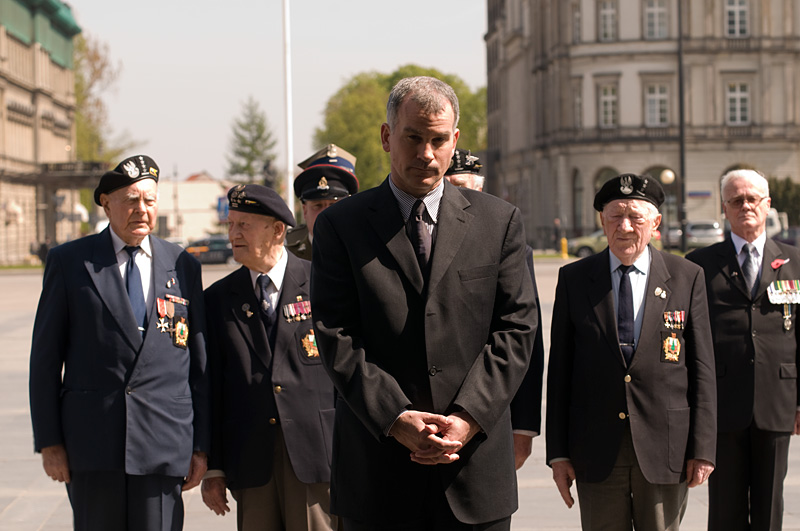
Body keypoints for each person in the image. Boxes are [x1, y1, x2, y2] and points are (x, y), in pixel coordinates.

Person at [310, 76, 537, 530]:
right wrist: (396, 418)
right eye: (413, 138)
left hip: (472, 472)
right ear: (386, 136)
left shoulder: (499, 222)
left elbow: (517, 329)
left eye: (438, 140)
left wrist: (468, 417)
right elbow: (336, 335)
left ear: (455, 141)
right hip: (378, 475)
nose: (426, 154)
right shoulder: (341, 226)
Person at [28, 155, 209, 531]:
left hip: (163, 443)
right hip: (93, 445)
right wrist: (50, 442)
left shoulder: (183, 265)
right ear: (106, 203)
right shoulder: (71, 262)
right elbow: (45, 360)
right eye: (130, 200)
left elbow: (199, 367)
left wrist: (201, 446)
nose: (141, 210)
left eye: (149, 200)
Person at [546, 173, 717, 531]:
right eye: (615, 216)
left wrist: (702, 448)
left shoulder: (686, 276)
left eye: (636, 217)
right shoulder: (575, 279)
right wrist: (558, 453)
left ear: (655, 223)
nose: (624, 227)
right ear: (602, 221)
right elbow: (560, 371)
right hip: (595, 448)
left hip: (665, 447)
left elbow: (702, 369)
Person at [200, 184, 338, 531]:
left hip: (315, 456)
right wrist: (214, 468)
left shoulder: (322, 283)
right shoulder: (218, 299)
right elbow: (212, 387)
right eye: (230, 225)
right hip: (251, 460)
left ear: (278, 230)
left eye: (244, 225)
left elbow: (345, 372)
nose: (233, 234)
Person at [687, 169, 800, 531]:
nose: (745, 206)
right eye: (736, 200)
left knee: (770, 507)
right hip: (720, 403)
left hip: (778, 398)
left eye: (753, 199)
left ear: (768, 204)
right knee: (724, 509)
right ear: (724, 208)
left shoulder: (795, 262)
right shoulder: (699, 264)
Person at [444, 148, 543, 470]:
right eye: (453, 186)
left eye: (469, 188)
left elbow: (526, 339)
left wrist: (524, 426)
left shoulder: (511, 248)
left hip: (491, 410)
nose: (462, 197)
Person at [285, 144, 359, 260]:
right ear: (305, 211)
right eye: (317, 206)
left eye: (333, 205)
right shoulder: (287, 255)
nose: (325, 214)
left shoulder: (365, 251)